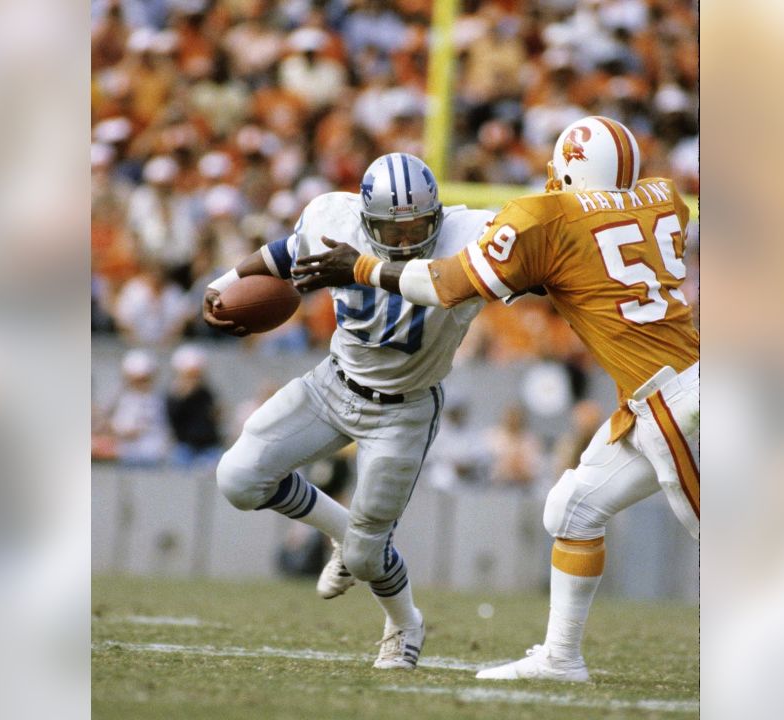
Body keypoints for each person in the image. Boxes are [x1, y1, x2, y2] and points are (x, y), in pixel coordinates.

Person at [292, 116, 699, 682]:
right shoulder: (665, 199)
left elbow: (443, 286)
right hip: (665, 396)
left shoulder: (548, 218)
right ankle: (561, 657)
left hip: (675, 403)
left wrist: (360, 266)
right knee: (572, 509)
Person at [204, 153, 494, 670]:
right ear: (364, 221)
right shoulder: (332, 218)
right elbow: (287, 252)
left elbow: (533, 264)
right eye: (391, 229)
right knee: (238, 478)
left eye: (418, 228)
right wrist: (225, 282)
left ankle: (405, 622)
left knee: (366, 557)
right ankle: (343, 530)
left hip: (402, 412)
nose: (406, 240)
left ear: (439, 217)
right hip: (330, 385)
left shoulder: (470, 235)